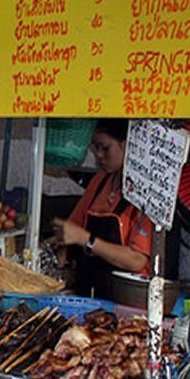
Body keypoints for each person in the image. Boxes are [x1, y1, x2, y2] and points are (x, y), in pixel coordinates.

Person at [53, 119, 152, 299]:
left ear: (126, 146)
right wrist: (60, 244)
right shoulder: (99, 182)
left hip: (128, 299)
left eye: (105, 148)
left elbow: (137, 261)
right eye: (95, 147)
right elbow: (72, 229)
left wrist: (87, 240)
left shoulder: (144, 192)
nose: (98, 155)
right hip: (91, 292)